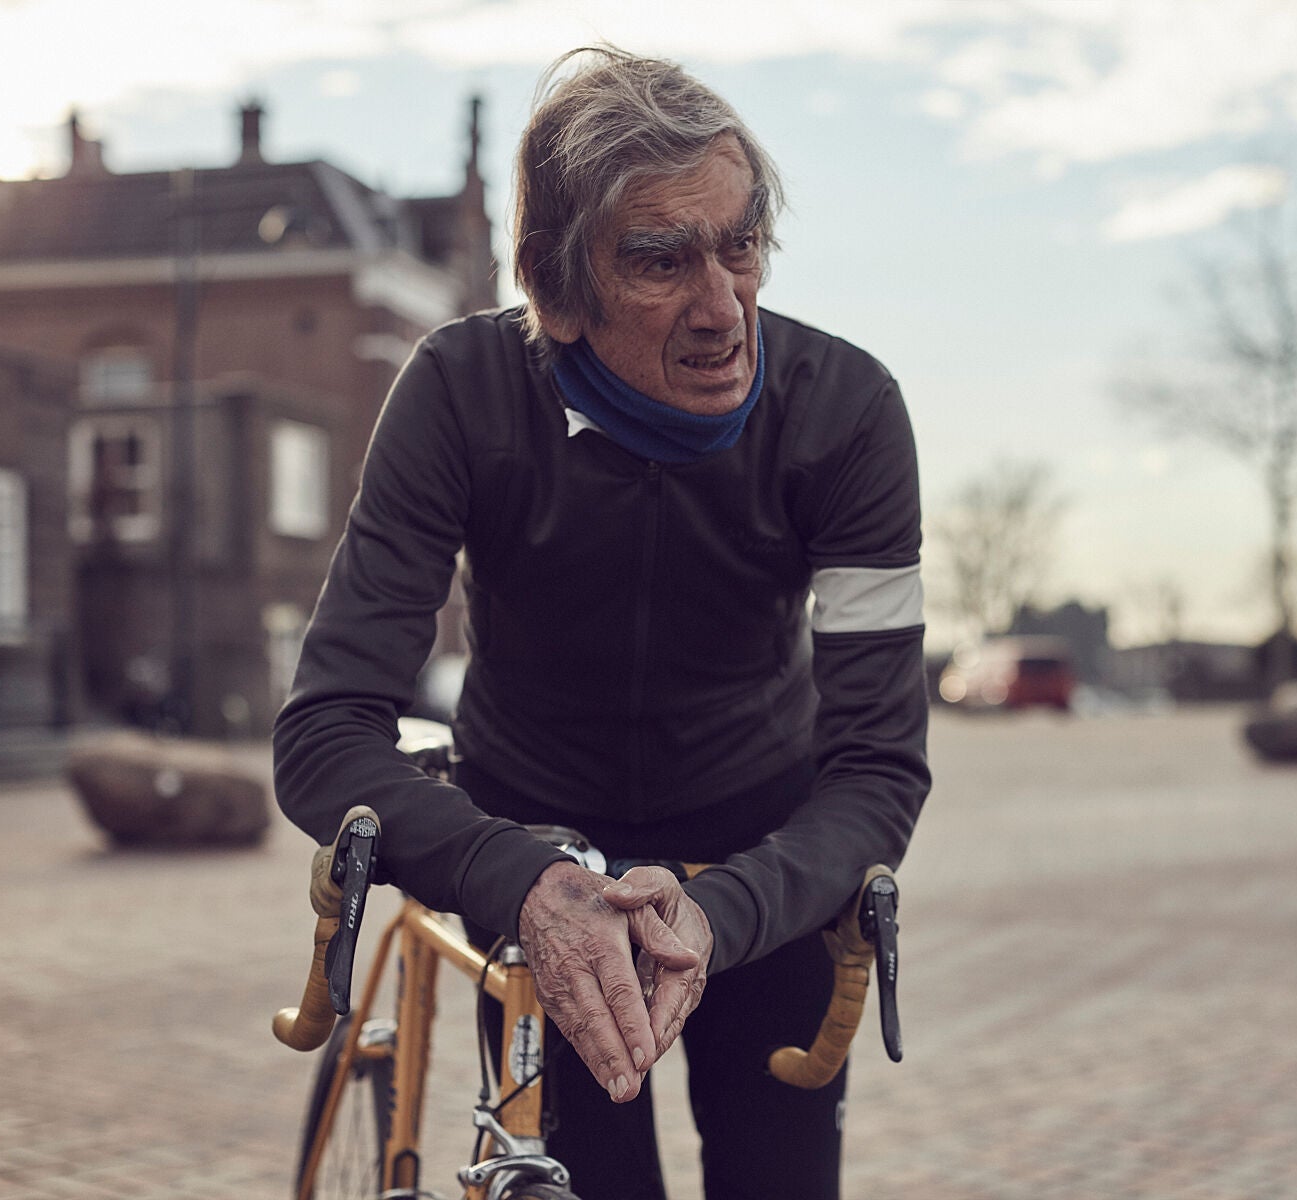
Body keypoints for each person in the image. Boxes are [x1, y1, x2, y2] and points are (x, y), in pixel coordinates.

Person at [273, 45, 930, 1200]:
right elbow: (325, 730)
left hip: (759, 868)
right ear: (554, 288)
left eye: (741, 244)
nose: (725, 308)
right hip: (534, 858)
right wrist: (516, 877)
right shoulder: (460, 392)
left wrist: (721, 914)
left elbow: (877, 765)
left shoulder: (849, 415)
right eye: (662, 261)